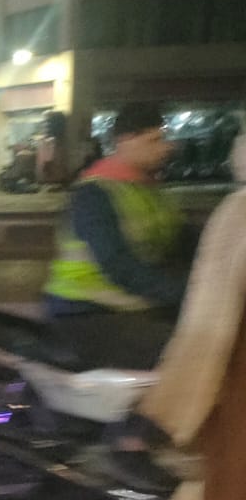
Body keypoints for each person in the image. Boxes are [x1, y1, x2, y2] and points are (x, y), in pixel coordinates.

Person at [114, 134, 246, 500]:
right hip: (237, 394)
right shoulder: (239, 215)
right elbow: (209, 319)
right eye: (153, 136)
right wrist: (173, 409)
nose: (164, 146)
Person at [42, 101, 188, 371]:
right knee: (187, 356)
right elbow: (119, 265)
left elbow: (184, 240)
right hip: (87, 312)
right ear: (125, 140)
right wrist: (183, 292)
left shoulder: (149, 190)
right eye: (153, 140)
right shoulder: (94, 194)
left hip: (136, 307)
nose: (164, 148)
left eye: (163, 138)